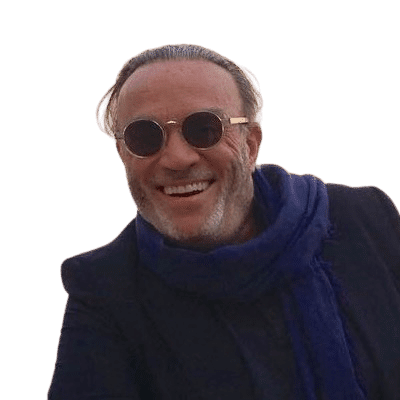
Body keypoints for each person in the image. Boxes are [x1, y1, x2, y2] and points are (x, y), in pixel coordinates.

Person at [47, 44, 400, 400]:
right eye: (145, 137)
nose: (176, 158)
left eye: (204, 129)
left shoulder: (367, 219)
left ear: (251, 145)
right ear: (123, 155)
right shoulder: (104, 291)